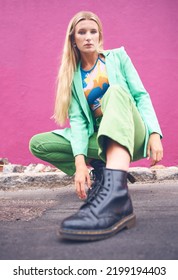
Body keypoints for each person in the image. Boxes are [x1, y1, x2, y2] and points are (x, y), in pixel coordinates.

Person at [29, 11, 163, 241]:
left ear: (100, 35)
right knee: (39, 144)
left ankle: (115, 194)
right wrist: (80, 164)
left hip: (130, 129)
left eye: (93, 31)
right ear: (73, 39)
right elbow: (79, 122)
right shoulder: (72, 76)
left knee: (116, 92)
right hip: (99, 135)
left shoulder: (118, 57)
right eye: (82, 32)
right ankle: (102, 173)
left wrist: (154, 133)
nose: (88, 37)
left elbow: (141, 96)